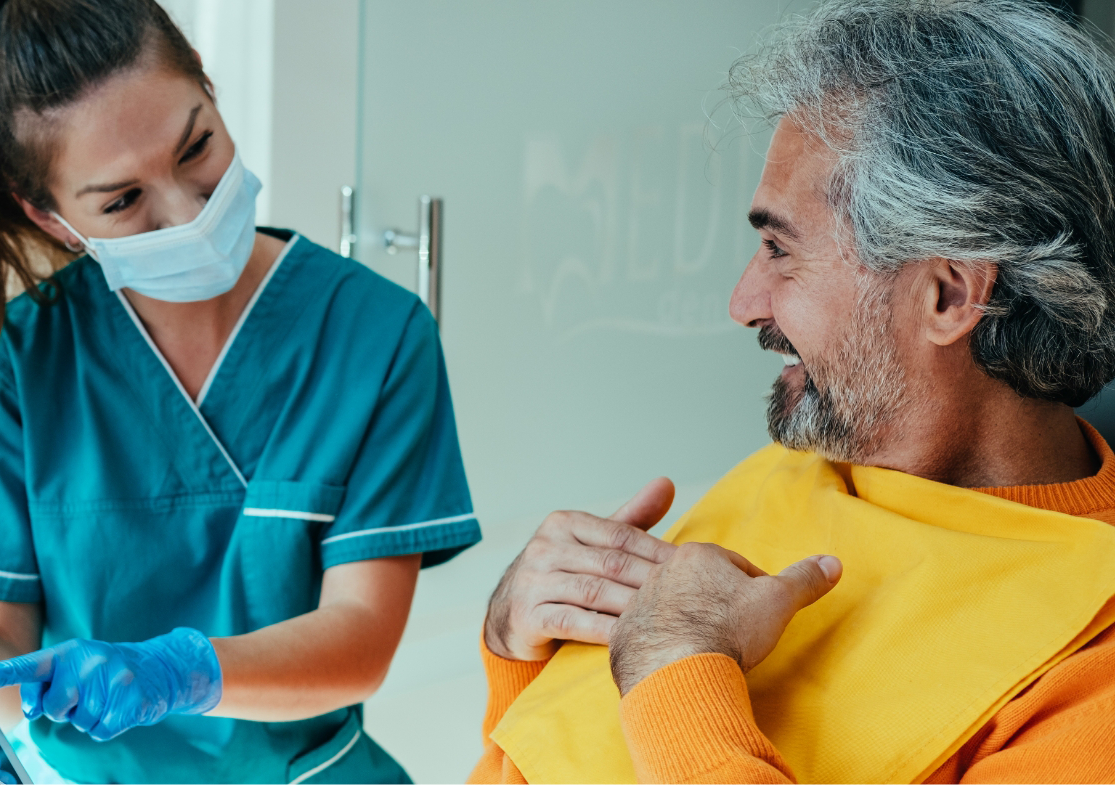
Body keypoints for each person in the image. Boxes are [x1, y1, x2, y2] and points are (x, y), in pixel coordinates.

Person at [0, 0, 481, 781]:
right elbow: (7, 661)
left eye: (197, 146)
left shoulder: (377, 334)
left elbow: (358, 641)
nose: (188, 211)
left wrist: (183, 671)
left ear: (213, 95)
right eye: (122, 201)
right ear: (50, 219)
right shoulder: (18, 363)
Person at [469, 1, 1115, 781]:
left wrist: (679, 665)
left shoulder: (1093, 676)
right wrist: (515, 646)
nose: (743, 301)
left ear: (947, 296)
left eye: (780, 248)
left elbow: (664, 696)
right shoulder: (797, 466)